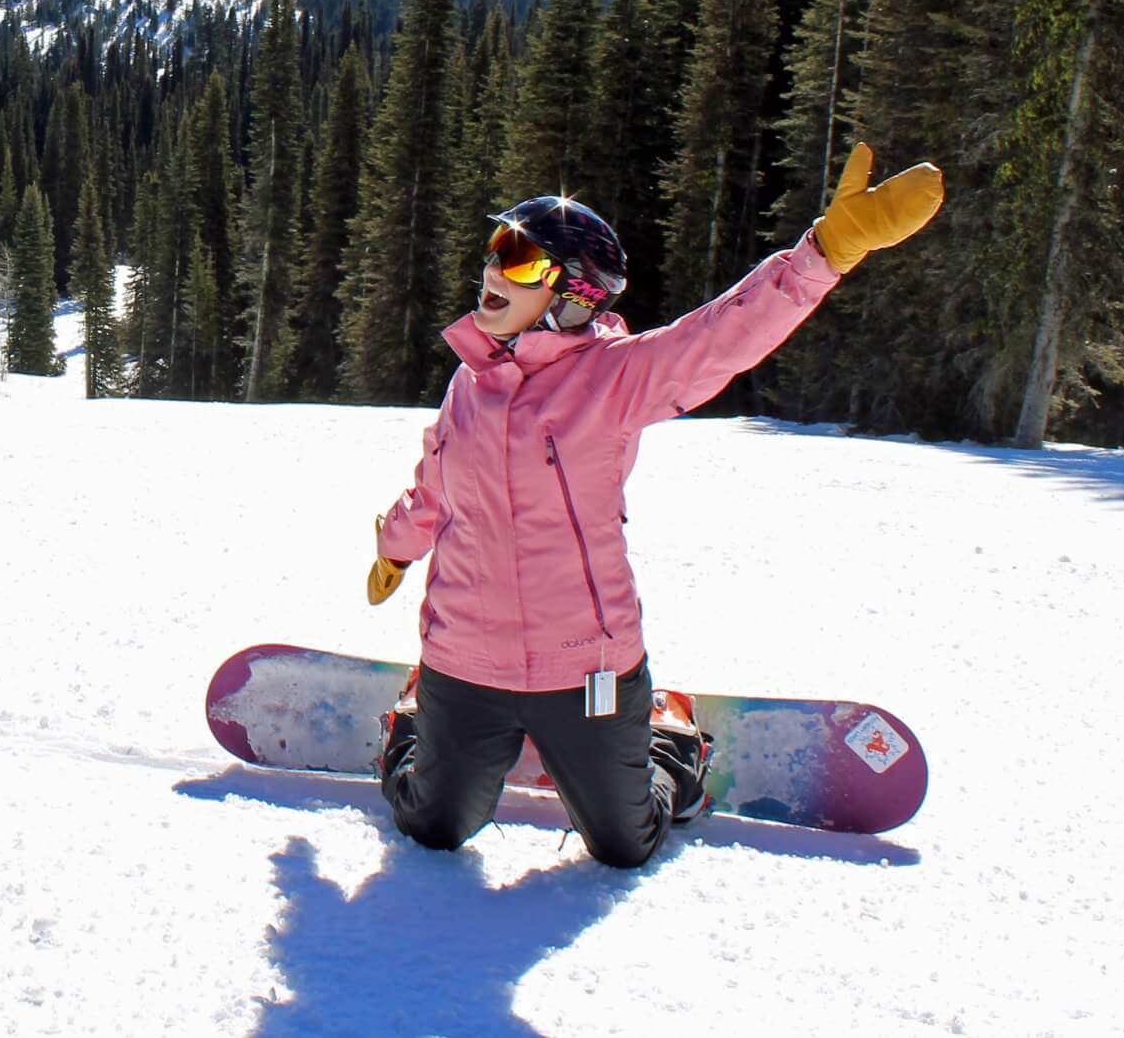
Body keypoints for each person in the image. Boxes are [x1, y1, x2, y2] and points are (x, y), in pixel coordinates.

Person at [363, 142, 942, 868]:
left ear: (573, 292)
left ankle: (667, 736)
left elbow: (721, 338)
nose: (491, 272)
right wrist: (396, 548)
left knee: (625, 843)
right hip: (464, 659)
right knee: (431, 824)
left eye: (517, 259)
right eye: (494, 250)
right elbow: (435, 487)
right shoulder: (469, 383)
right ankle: (416, 721)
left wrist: (824, 251)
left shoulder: (616, 381)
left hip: (586, 668)